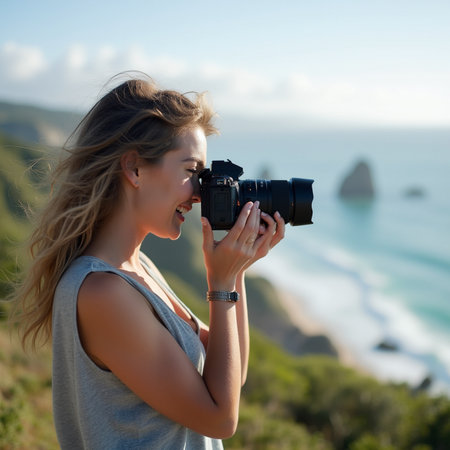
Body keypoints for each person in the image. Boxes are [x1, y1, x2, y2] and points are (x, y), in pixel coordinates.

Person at [12, 74, 285, 449]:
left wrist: (235, 274)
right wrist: (219, 286)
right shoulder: (102, 292)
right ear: (135, 169)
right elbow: (221, 418)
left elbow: (231, 376)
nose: (199, 194)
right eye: (191, 172)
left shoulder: (139, 268)